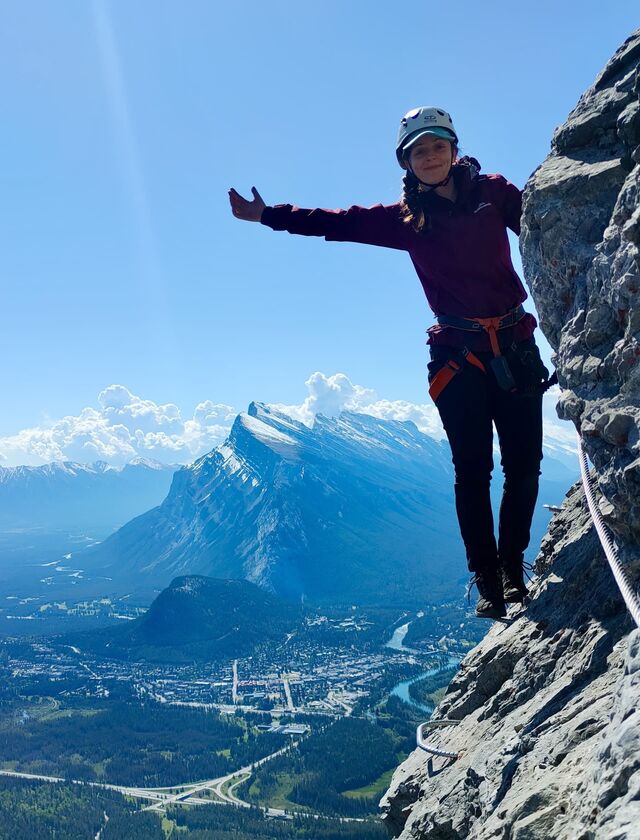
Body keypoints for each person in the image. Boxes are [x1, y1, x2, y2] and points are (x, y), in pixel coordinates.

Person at [228, 105, 551, 621]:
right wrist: (268, 216)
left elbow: (543, 221)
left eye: (436, 146)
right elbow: (336, 224)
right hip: (459, 358)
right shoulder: (405, 220)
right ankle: (489, 582)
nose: (429, 156)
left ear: (454, 148)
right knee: (473, 471)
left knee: (525, 466)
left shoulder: (493, 193)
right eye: (418, 150)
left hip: (512, 346)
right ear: (406, 161)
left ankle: (513, 570)